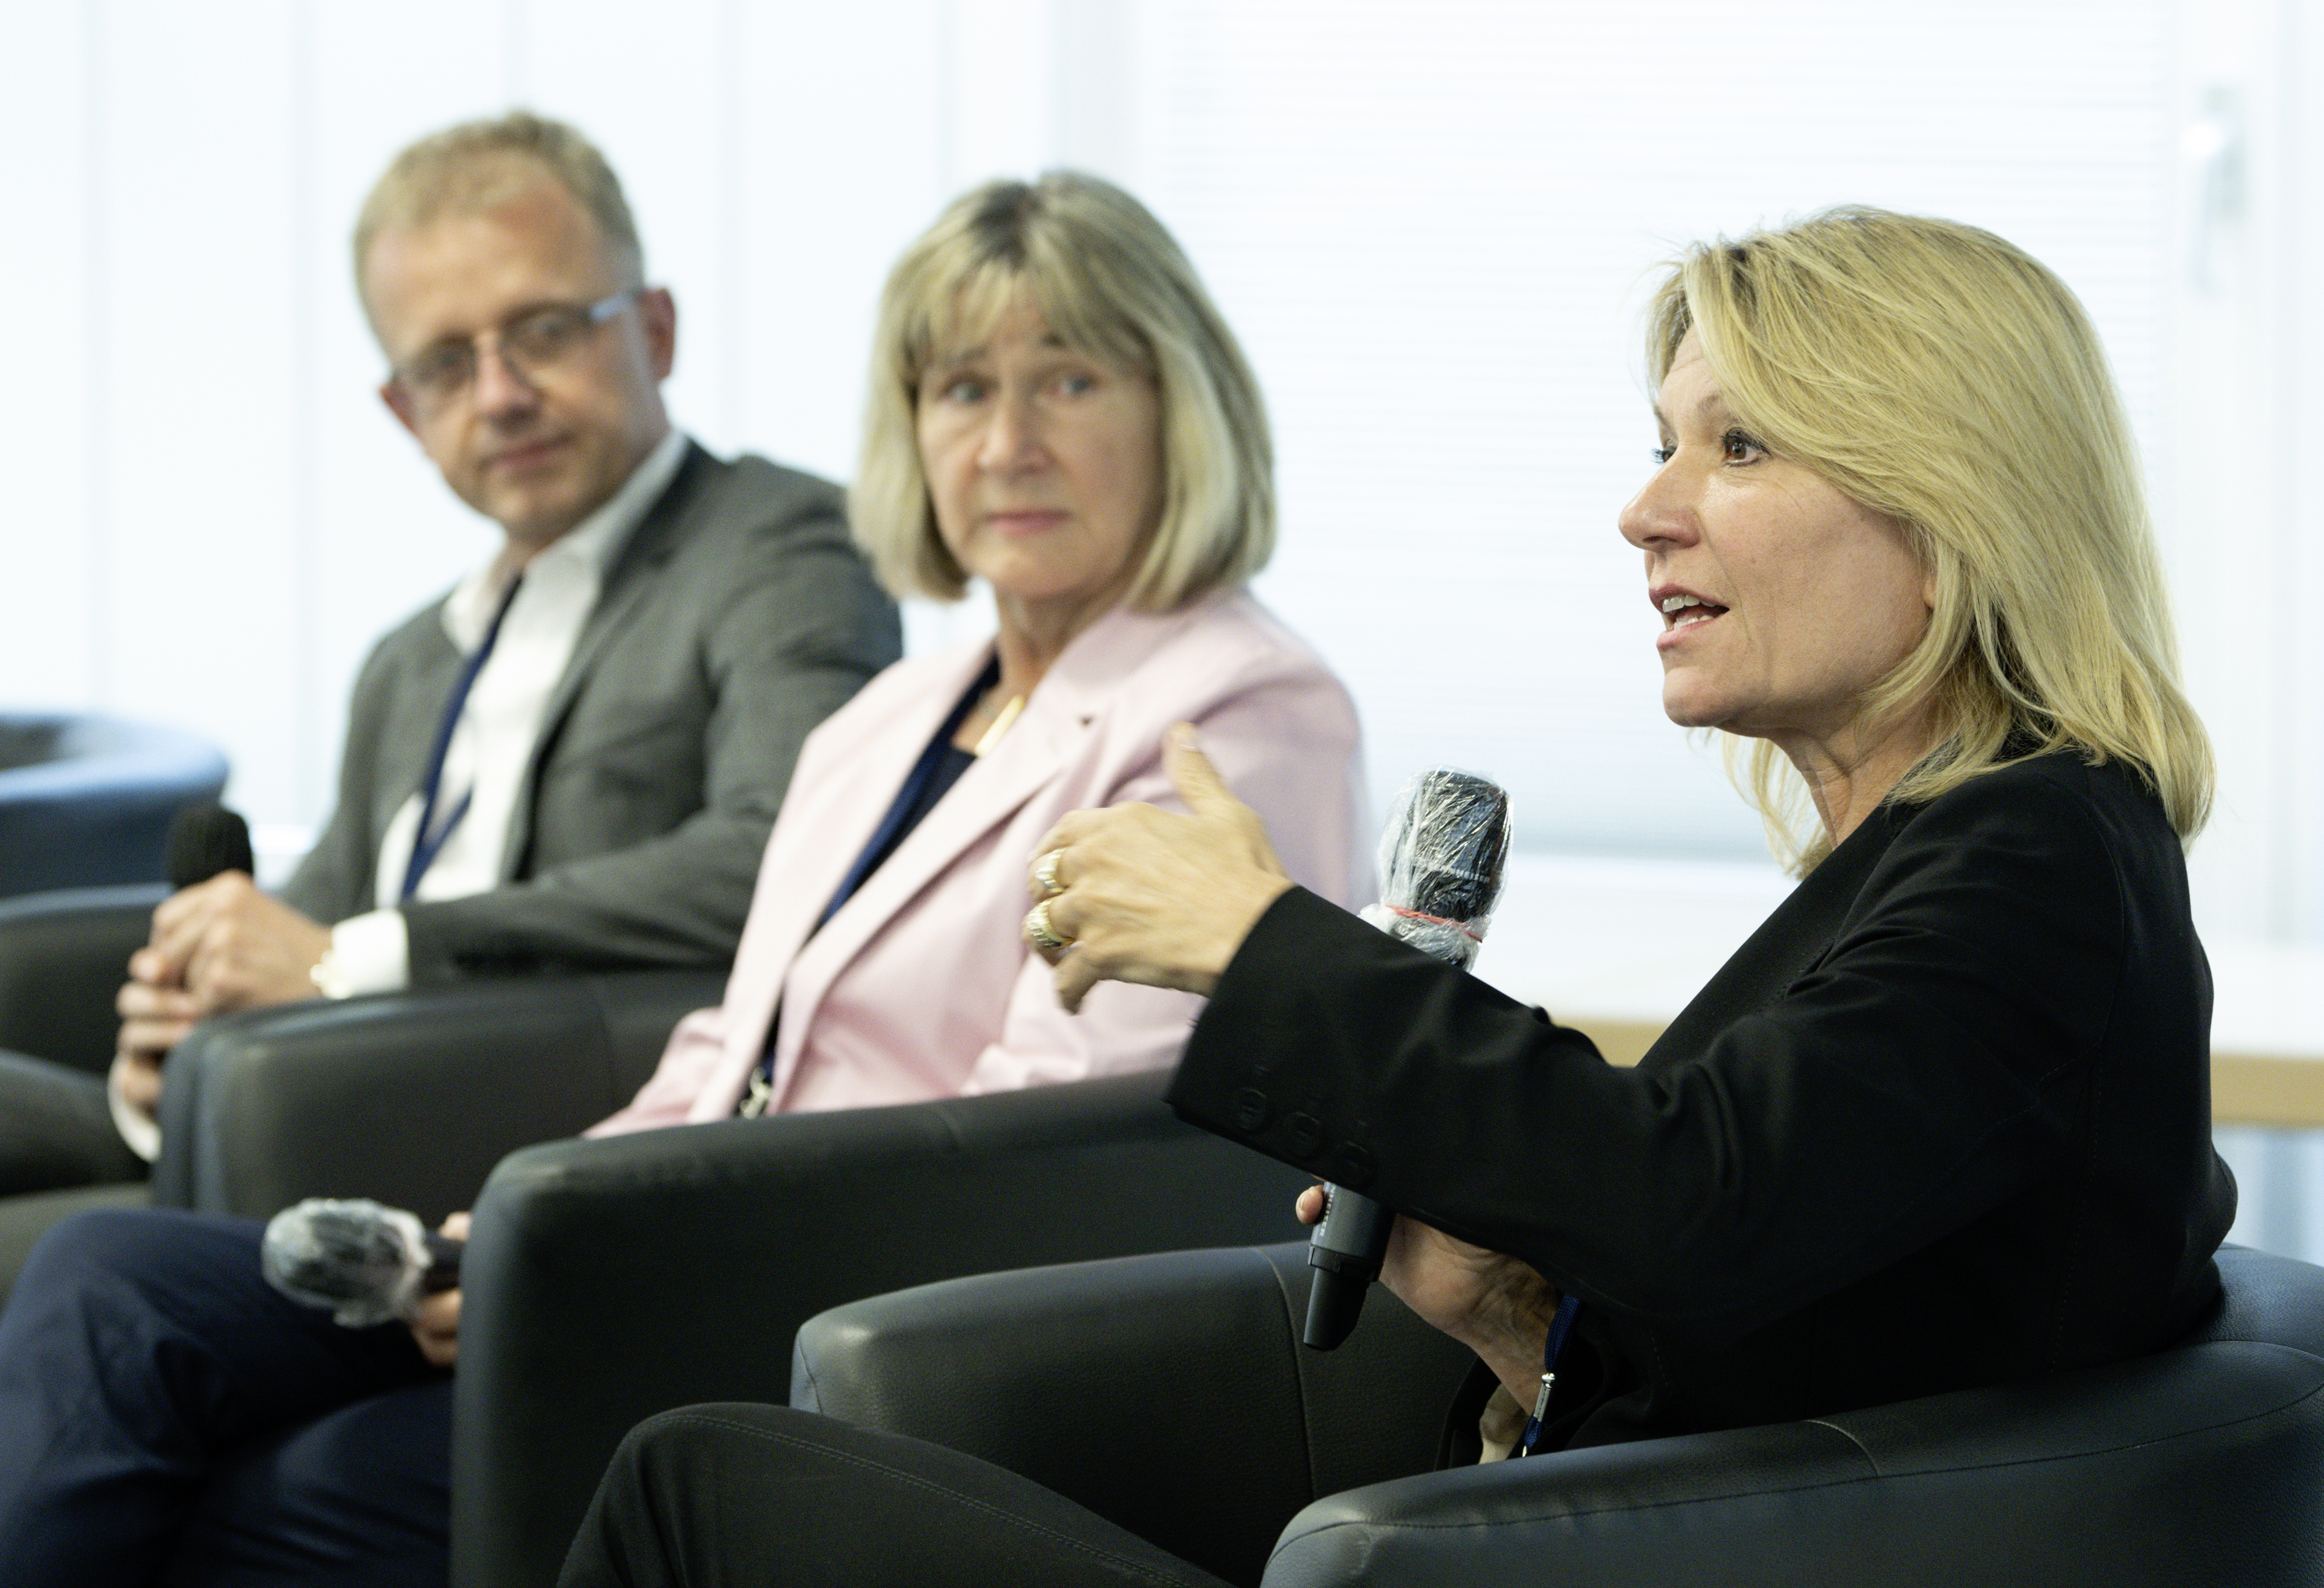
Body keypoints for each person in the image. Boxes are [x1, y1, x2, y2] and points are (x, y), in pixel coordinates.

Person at [555, 207, 2235, 1586]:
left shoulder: (2039, 856)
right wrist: (1512, 1315)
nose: (1645, 507)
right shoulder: (1949, 859)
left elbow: (1697, 1193)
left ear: (1950, 503)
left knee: (696, 1481)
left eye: (1739, 446)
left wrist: (1258, 941)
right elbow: (1800, 1299)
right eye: (1660, 443)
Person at [0, 171, 1370, 1586]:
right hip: (667, 1250)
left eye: (1068, 380)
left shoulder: (1233, 708)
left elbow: (1067, 1145)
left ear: (1176, 405)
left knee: (273, 1490)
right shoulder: (895, 717)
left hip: (831, 1303)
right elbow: (735, 1043)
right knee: (112, 1278)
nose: (1007, 443)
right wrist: (517, 1224)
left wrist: (610, 1249)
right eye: (961, 390)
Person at [0, 110, 900, 1201]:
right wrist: (187, 1032)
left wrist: (359, 962)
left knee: (84, 1273)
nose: (502, 394)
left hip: (513, 1143)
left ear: (654, 331)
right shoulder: (411, 659)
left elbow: (780, 854)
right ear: (403, 410)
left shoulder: (778, 546)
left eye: (546, 331)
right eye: (445, 364)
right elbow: (313, 918)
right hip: (303, 1123)